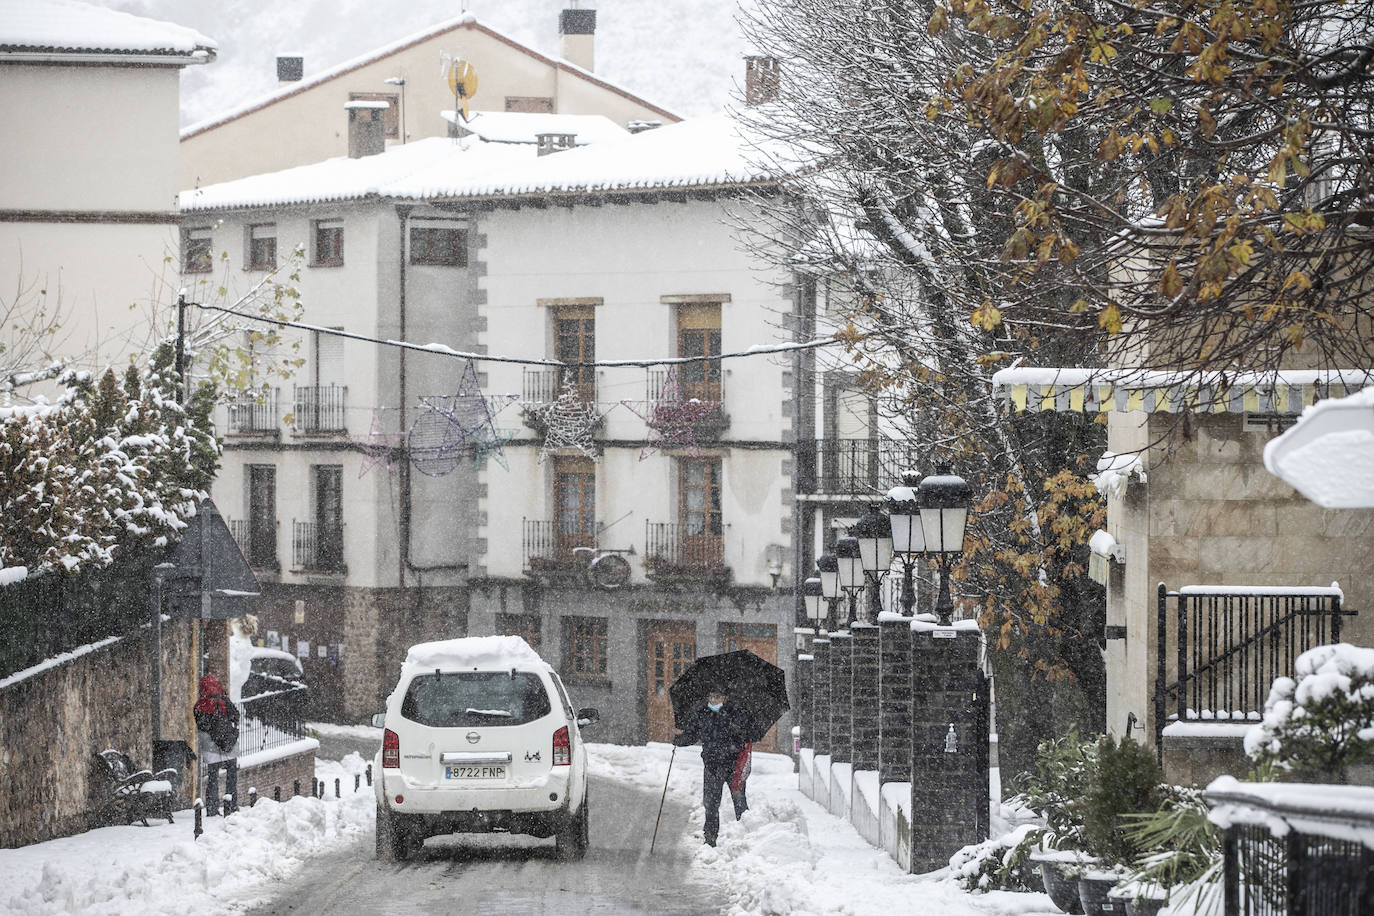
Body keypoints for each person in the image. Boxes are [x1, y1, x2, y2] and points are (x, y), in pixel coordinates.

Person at [672, 683, 752, 847]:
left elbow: (747, 735)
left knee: (739, 801)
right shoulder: (702, 714)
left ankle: (747, 838)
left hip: (732, 766)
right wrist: (680, 740)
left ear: (725, 698)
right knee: (710, 804)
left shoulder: (736, 713)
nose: (713, 700)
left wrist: (738, 733)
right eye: (711, 697)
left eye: (717, 697)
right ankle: (710, 836)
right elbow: (692, 734)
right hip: (712, 765)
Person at [194, 673, 240, 816]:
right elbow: (236, 716)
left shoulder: (199, 705)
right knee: (231, 772)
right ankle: (231, 804)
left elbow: (200, 724)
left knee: (212, 775)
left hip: (209, 743)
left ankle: (212, 808)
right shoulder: (223, 700)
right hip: (226, 740)